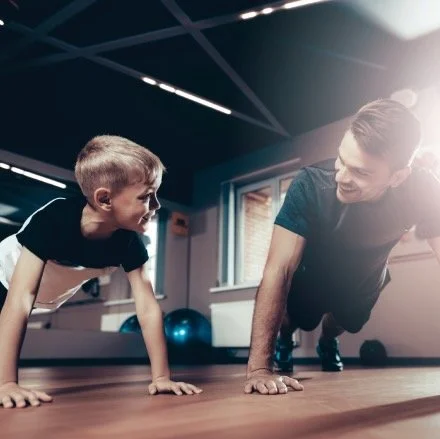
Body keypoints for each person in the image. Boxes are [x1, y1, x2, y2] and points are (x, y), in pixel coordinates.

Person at [244, 99, 440, 395]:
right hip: (310, 274)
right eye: (341, 160)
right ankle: (285, 340)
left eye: (360, 172)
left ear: (398, 177)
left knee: (345, 322)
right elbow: (278, 269)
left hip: (365, 277)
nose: (341, 177)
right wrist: (259, 368)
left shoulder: (424, 189)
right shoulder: (310, 185)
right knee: (291, 315)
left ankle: (327, 342)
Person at [0, 135, 202, 408]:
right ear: (105, 199)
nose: (157, 205)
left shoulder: (128, 241)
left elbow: (147, 307)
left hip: (45, 295)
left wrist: (162, 377)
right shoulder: (53, 221)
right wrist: (7, 384)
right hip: (6, 278)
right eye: (146, 196)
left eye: (155, 195)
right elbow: (21, 298)